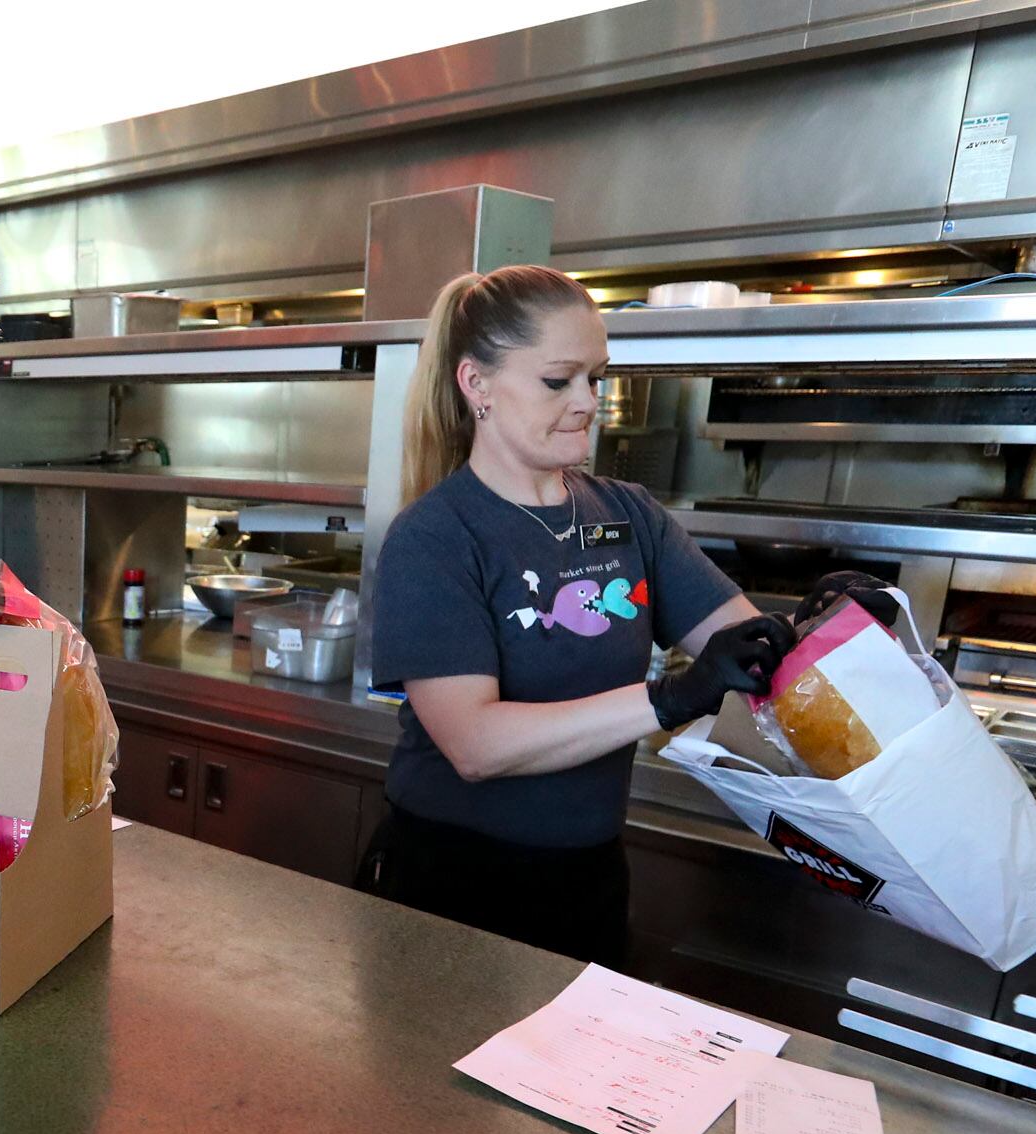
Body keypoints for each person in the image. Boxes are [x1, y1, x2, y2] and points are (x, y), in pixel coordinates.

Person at [361, 265, 880, 966]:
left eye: (597, 378)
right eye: (558, 380)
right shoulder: (436, 536)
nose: (588, 401)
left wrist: (833, 627)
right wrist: (668, 697)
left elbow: (750, 651)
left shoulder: (627, 514)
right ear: (476, 384)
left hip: (588, 879)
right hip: (453, 885)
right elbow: (476, 745)